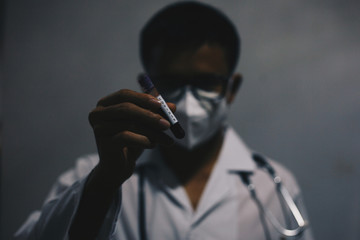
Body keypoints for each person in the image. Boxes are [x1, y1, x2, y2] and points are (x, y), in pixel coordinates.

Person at [15, 2, 314, 240]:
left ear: (231, 89)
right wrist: (103, 184)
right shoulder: (95, 175)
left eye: (206, 82)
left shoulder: (275, 186)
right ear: (148, 87)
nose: (187, 99)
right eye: (170, 82)